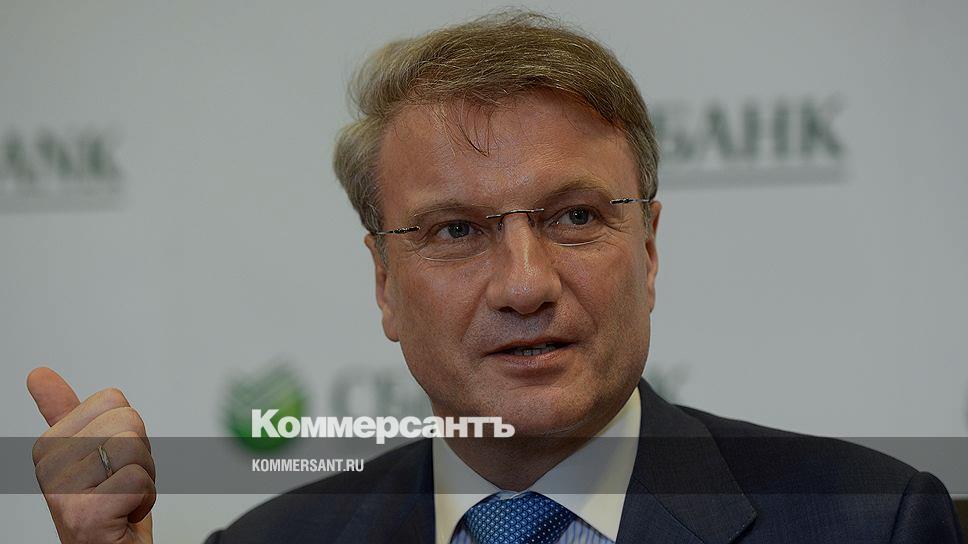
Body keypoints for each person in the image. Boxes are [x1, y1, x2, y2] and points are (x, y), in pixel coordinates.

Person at [27, 11, 964, 544]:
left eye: (575, 217)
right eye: (457, 230)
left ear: (647, 250)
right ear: (384, 284)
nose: (524, 284)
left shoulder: (869, 523)